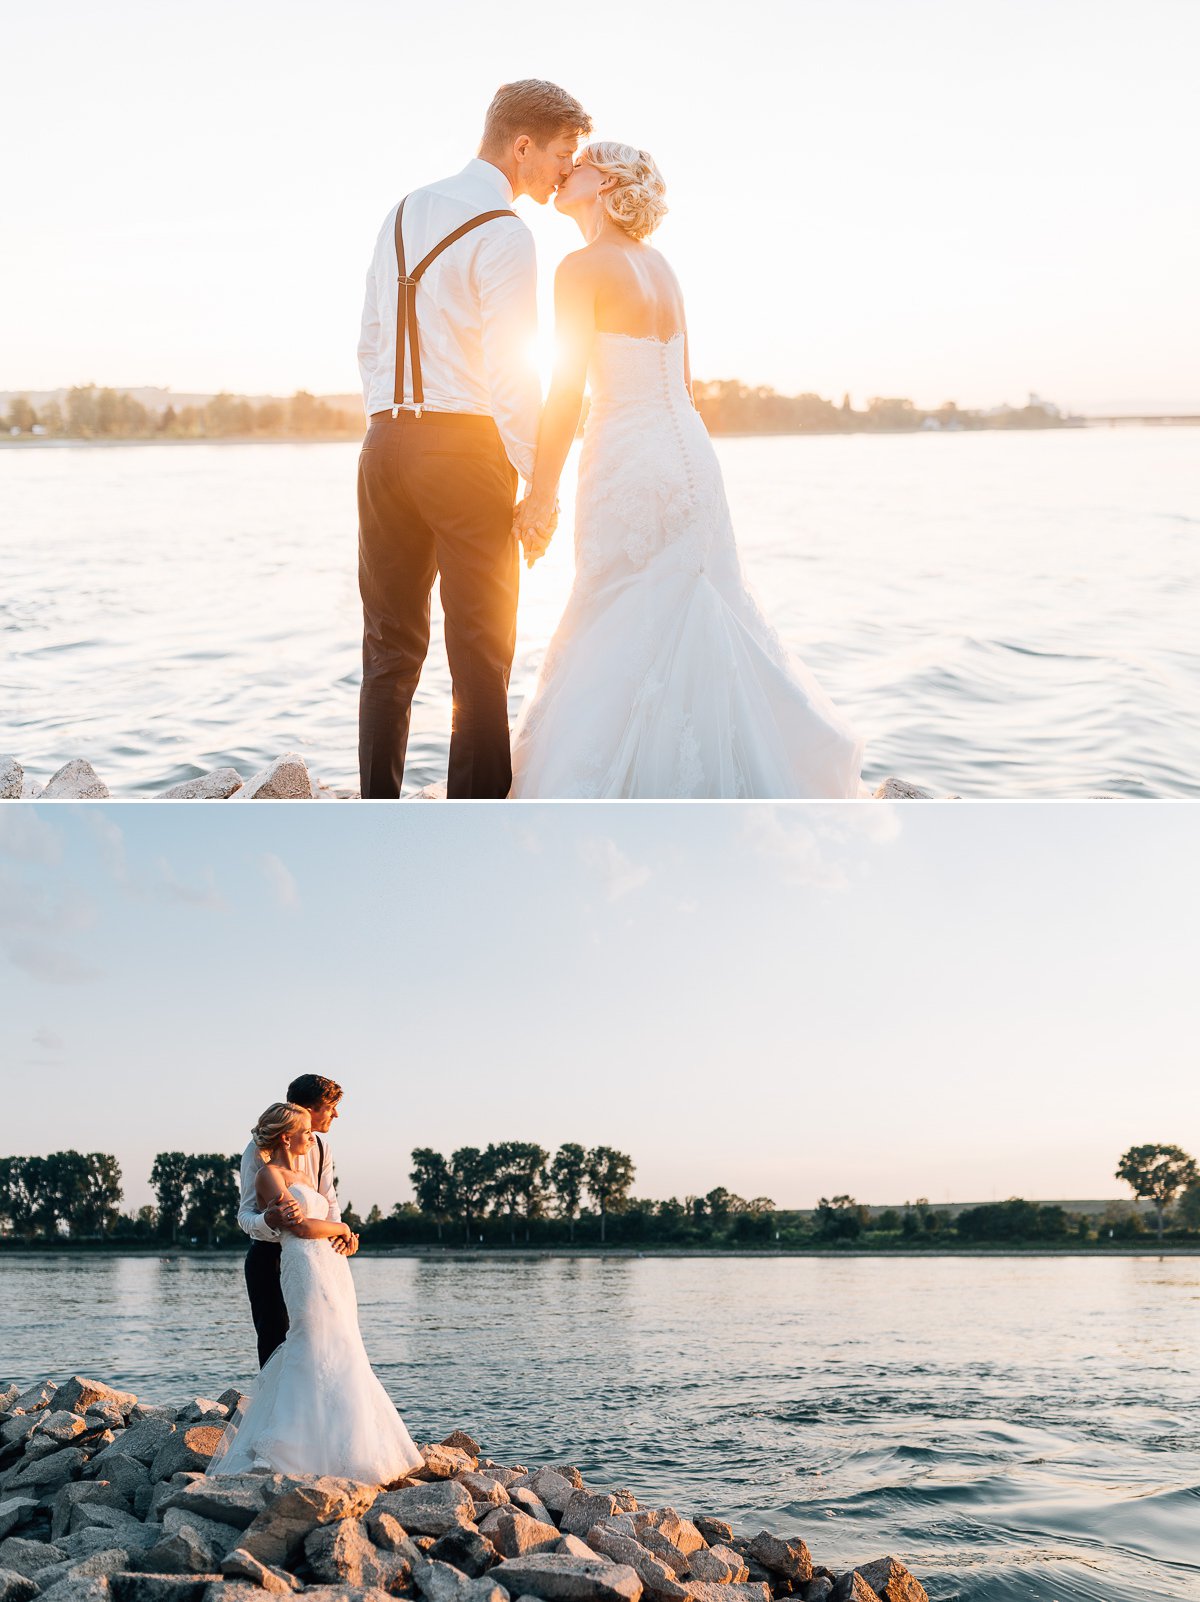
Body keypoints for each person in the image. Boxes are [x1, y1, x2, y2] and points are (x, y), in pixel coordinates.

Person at [509, 142, 864, 799]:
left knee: (615, 604)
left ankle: (623, 781)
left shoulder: (581, 267)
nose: (566, 171)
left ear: (605, 181)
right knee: (697, 599)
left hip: (627, 454)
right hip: (691, 454)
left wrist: (542, 492)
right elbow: (687, 386)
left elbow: (566, 390)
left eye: (579, 163)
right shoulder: (662, 267)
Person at [357, 78, 592, 799]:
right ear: (522, 145)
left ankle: (375, 814)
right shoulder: (504, 233)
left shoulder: (404, 210)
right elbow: (510, 376)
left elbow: (369, 342)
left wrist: (390, 420)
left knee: (389, 650)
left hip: (383, 447)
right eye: (560, 153)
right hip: (464, 452)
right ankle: (478, 829)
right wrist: (539, 491)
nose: (562, 171)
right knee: (480, 656)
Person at [211, 1102, 423, 1482]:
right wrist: (340, 1230)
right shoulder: (268, 1175)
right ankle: (287, 1443)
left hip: (330, 1267)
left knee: (340, 1343)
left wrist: (346, 1235)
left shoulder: (304, 1175)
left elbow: (322, 1216)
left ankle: (345, 1441)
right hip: (302, 1265)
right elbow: (302, 1227)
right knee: (308, 1341)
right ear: (286, 1136)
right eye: (306, 1131)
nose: (313, 1137)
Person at [238, 1073, 355, 1367]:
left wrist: (341, 1238)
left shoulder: (323, 1148)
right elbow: (245, 1215)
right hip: (270, 1259)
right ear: (309, 1109)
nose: (336, 1114)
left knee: (324, 1340)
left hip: (316, 1260)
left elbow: (328, 1202)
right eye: (330, 1107)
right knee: (275, 1341)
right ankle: (276, 1409)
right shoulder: (258, 1152)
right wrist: (268, 1219)